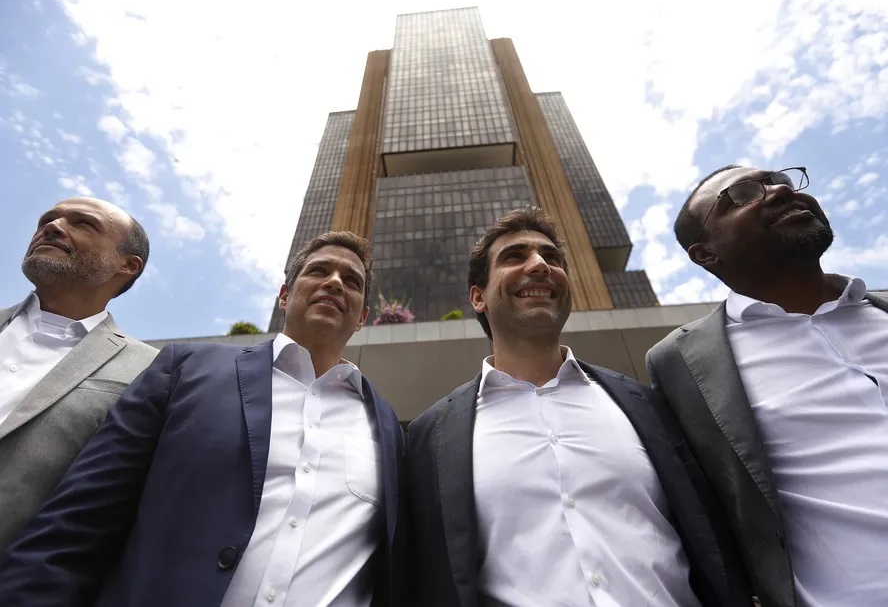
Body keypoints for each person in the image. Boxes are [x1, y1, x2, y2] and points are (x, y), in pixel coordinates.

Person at [0, 231, 408, 607]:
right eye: (319, 271)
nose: (335, 282)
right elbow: (80, 518)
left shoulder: (388, 427)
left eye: (351, 281)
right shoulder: (185, 369)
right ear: (284, 296)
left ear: (362, 317)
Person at [407, 206, 751, 607]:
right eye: (515, 256)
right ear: (478, 297)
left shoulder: (650, 406)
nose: (538, 265)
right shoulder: (430, 435)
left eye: (551, 258)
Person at [647, 164, 888, 607]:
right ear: (705, 254)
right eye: (741, 195)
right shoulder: (682, 363)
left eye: (781, 180)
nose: (777, 190)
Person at [0, 196, 155, 553]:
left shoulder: (148, 370)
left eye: (83, 223)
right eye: (48, 219)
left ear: (127, 264)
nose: (52, 227)